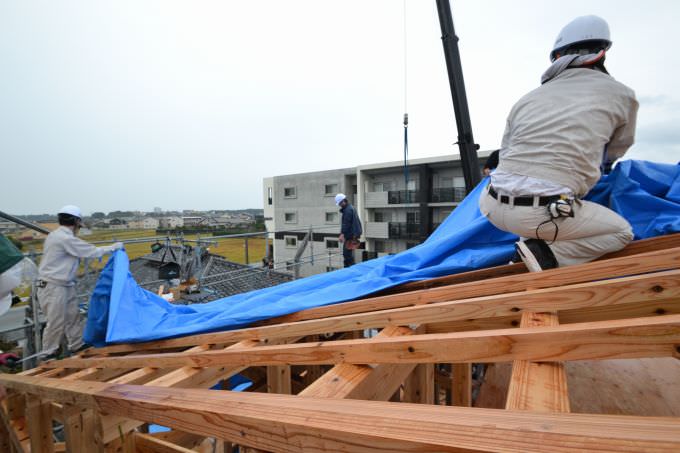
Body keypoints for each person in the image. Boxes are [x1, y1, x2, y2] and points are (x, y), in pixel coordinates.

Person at [479, 15, 637, 272]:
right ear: (602, 53)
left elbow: (506, 150)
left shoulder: (528, 98)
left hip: (490, 206)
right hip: (541, 214)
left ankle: (531, 245)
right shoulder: (621, 94)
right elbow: (616, 149)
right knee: (621, 232)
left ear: (556, 58)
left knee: (538, 217)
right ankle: (544, 254)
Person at [37, 205, 123, 360]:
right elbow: (91, 251)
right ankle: (48, 353)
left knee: (73, 316)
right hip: (53, 285)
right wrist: (113, 247)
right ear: (76, 222)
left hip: (64, 284)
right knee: (56, 320)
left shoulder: (57, 235)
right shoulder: (64, 238)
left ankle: (76, 345)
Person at [335, 193, 362, 268]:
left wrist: (342, 234)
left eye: (340, 203)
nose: (340, 205)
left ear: (343, 201)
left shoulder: (348, 210)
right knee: (347, 252)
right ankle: (349, 268)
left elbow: (346, 224)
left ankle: (350, 268)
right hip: (353, 233)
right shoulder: (350, 208)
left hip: (351, 234)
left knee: (346, 253)